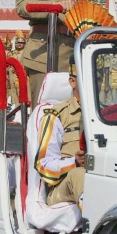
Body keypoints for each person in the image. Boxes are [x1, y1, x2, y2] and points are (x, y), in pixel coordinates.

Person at [34, 55, 85, 207]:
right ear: (72, 81)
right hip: (62, 188)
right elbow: (43, 166)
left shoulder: (105, 115)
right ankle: (98, 229)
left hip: (98, 177)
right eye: (86, 78)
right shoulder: (56, 116)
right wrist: (74, 162)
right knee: (79, 174)